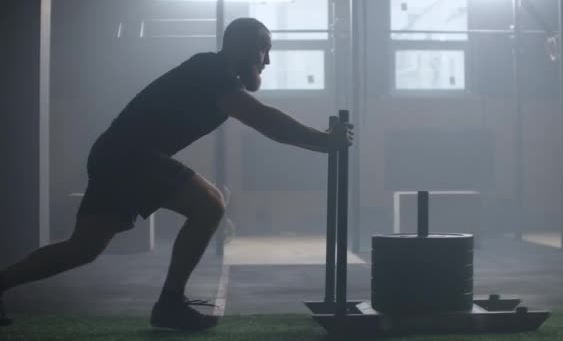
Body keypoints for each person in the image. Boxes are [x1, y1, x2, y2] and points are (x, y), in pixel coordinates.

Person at [0, 17, 353, 331]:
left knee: (83, 248)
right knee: (210, 204)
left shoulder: (216, 74)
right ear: (245, 47)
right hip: (128, 155)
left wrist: (323, 143)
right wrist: (324, 141)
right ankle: (169, 305)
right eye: (265, 50)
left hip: (115, 155)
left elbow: (262, 117)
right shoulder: (212, 72)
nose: (268, 60)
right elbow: (266, 121)